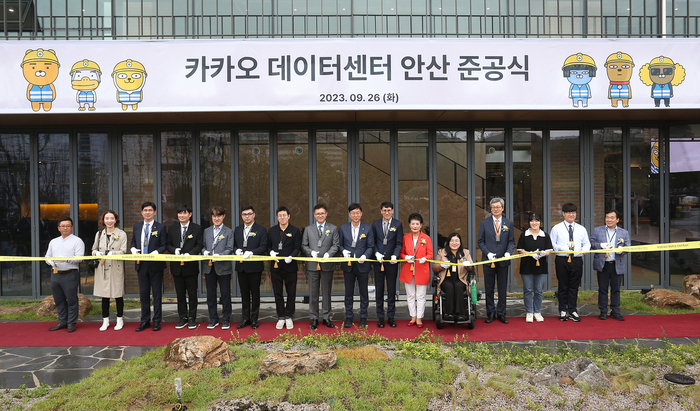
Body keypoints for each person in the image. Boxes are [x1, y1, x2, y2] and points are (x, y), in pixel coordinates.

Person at [130, 201, 167, 332]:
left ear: (154, 212)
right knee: (143, 294)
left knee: (156, 294)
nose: (147, 212)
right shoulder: (137, 226)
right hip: (141, 265)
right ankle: (144, 320)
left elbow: (164, 245)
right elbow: (133, 241)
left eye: (150, 210)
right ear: (141, 212)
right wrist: (133, 248)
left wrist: (157, 251)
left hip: (156, 265)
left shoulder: (161, 227)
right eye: (145, 210)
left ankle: (157, 320)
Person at [477, 197, 516, 324]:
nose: (495, 209)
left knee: (502, 288)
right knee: (489, 288)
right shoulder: (485, 223)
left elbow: (511, 242)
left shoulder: (508, 223)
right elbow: (480, 241)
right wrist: (487, 253)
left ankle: (501, 313)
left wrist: (508, 253)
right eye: (493, 207)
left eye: (498, 207)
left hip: (503, 260)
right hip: (489, 260)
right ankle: (490, 313)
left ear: (502, 208)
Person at [550, 202, 591, 322]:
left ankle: (572, 310)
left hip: (577, 260)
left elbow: (587, 243)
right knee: (563, 286)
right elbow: (552, 244)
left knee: (574, 286)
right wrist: (561, 248)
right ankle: (563, 310)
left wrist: (585, 249)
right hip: (562, 260)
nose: (571, 215)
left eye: (573, 212)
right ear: (563, 214)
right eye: (568, 212)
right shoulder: (556, 228)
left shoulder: (581, 229)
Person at [301, 203, 339, 330]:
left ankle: (327, 317)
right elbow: (304, 245)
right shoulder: (308, 229)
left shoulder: (333, 228)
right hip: (313, 265)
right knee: (313, 292)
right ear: (314, 215)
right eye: (317, 214)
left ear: (326, 214)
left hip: (327, 264)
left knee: (327, 292)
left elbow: (336, 245)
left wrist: (329, 254)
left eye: (322, 213)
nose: (320, 215)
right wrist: (310, 252)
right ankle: (314, 318)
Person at [166, 204, 204, 330]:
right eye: (180, 213)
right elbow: (168, 244)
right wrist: (174, 250)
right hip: (177, 267)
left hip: (191, 266)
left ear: (190, 214)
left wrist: (190, 254)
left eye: (185, 213)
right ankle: (182, 317)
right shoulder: (172, 228)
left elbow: (199, 245)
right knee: (180, 294)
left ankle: (192, 317)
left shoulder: (197, 228)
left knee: (192, 294)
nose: (182, 215)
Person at [45, 217, 85, 333]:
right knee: (59, 299)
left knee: (72, 299)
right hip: (56, 274)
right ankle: (62, 322)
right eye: (63, 226)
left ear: (72, 227)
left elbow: (80, 258)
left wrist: (66, 260)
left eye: (68, 225)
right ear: (59, 228)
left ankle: (71, 323)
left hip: (70, 274)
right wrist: (52, 262)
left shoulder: (77, 241)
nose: (65, 228)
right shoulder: (53, 241)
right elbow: (47, 257)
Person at [590, 210, 631, 321]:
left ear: (617, 220)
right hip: (603, 264)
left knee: (616, 289)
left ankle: (615, 311)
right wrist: (600, 245)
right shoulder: (597, 231)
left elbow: (628, 247)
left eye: (612, 217)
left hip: (617, 264)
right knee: (602, 289)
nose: (609, 220)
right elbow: (591, 244)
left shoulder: (624, 233)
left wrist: (621, 251)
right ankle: (603, 311)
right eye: (607, 217)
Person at [339, 203, 375, 328]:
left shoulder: (368, 228)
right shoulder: (343, 228)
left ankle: (363, 317)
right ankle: (349, 317)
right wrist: (343, 251)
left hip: (362, 265)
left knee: (363, 292)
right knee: (348, 293)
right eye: (353, 213)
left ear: (361, 214)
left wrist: (365, 255)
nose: (356, 215)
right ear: (349, 214)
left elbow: (371, 246)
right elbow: (340, 245)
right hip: (348, 265)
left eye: (358, 213)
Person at [91, 210, 128, 331]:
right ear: (103, 220)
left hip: (115, 267)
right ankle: (105, 320)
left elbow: (123, 251)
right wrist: (96, 252)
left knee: (117, 294)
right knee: (104, 295)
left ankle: (119, 319)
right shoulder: (99, 234)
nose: (109, 221)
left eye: (112, 218)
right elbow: (93, 249)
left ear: (116, 220)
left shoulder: (121, 234)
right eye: (107, 218)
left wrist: (113, 253)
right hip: (102, 268)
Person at [233, 205, 268, 329]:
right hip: (241, 266)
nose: (247, 216)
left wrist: (252, 252)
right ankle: (245, 318)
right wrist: (236, 250)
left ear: (254, 215)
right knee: (244, 294)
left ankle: (254, 319)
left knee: (255, 293)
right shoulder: (237, 230)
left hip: (254, 267)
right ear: (241, 216)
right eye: (244, 214)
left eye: (249, 214)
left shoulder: (261, 229)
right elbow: (233, 245)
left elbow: (263, 246)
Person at [267, 206, 302, 330]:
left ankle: (289, 315)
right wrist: (271, 253)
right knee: (278, 293)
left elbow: (297, 247)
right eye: (280, 215)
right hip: (276, 266)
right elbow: (268, 246)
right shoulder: (271, 231)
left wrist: (291, 256)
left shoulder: (295, 230)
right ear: (277, 217)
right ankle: (281, 316)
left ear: (289, 216)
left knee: (291, 292)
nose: (282, 217)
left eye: (284, 215)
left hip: (290, 266)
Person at [370, 202, 403, 328]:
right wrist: (376, 253)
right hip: (379, 262)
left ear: (392, 211)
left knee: (391, 289)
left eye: (389, 210)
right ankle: (380, 317)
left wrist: (395, 255)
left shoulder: (397, 224)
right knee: (379, 289)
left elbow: (399, 242)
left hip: (392, 262)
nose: (387, 212)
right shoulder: (375, 224)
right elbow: (372, 242)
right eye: (384, 210)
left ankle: (391, 316)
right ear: (381, 211)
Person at [516, 212, 552, 323]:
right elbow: (520, 250)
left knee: (538, 291)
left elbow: (548, 251)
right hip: (527, 266)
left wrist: (541, 253)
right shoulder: (524, 234)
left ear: (540, 222)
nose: (534, 223)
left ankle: (537, 312)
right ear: (529, 222)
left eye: (537, 220)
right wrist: (530, 253)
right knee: (528, 290)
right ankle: (529, 312)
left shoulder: (545, 235)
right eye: (532, 220)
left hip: (541, 267)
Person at [202, 206, 234, 330]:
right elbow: (203, 246)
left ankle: (226, 319)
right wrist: (204, 251)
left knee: (225, 294)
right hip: (209, 267)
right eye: (214, 216)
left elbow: (230, 249)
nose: (216, 218)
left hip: (223, 267)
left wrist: (220, 256)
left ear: (223, 216)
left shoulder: (228, 232)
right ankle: (213, 319)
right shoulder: (207, 231)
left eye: (219, 216)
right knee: (211, 295)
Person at [399, 213, 433, 328]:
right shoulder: (405, 238)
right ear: (409, 225)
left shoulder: (426, 238)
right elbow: (401, 253)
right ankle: (412, 316)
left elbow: (430, 254)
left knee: (421, 295)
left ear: (421, 225)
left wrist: (425, 258)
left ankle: (419, 317)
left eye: (417, 224)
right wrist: (405, 258)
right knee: (410, 295)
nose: (415, 226)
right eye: (413, 223)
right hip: (408, 270)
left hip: (421, 269)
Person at [432, 233, 473, 322]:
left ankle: (460, 314)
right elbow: (434, 268)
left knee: (458, 287)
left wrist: (468, 265)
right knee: (449, 287)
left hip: (460, 279)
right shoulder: (442, 252)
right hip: (445, 279)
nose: (454, 243)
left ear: (460, 242)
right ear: (448, 242)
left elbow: (471, 268)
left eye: (457, 241)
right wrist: (441, 266)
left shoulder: (465, 252)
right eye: (452, 241)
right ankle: (449, 313)